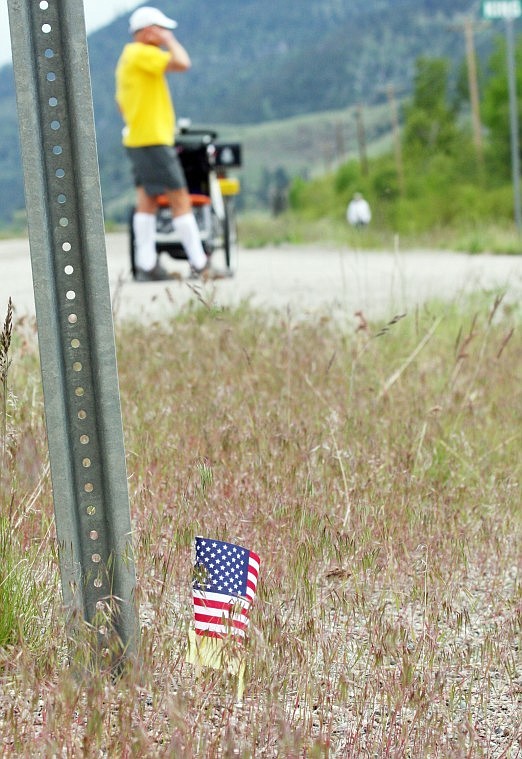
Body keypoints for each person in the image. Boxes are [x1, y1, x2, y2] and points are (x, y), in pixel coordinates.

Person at [115, 6, 209, 281]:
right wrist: (169, 41)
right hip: (153, 138)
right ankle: (199, 262)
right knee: (179, 196)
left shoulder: (129, 58)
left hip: (139, 137)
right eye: (160, 29)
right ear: (147, 31)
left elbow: (120, 104)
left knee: (147, 199)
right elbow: (182, 62)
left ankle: (147, 264)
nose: (165, 34)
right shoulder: (142, 53)